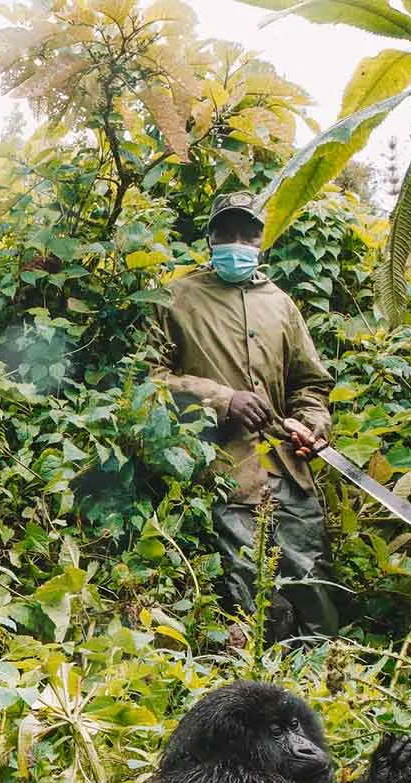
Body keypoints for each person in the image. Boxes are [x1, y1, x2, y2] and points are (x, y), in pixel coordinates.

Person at [157, 191, 339, 641]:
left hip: (289, 472)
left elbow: (311, 384)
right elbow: (149, 379)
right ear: (211, 238)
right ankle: (259, 692)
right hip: (225, 474)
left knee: (315, 586)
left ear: (261, 240)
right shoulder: (176, 299)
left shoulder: (281, 304)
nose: (237, 242)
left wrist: (313, 426)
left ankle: (327, 682)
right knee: (250, 599)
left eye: (248, 233)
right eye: (227, 232)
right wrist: (222, 398)